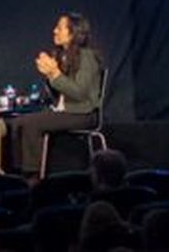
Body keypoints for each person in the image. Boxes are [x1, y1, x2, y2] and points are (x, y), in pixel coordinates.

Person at [11, 12, 102, 178]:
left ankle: (33, 176)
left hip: (83, 113)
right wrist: (49, 75)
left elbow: (79, 93)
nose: (54, 31)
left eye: (60, 28)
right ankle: (18, 172)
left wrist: (55, 74)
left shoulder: (86, 57)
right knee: (18, 122)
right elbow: (59, 94)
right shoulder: (63, 56)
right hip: (65, 111)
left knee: (32, 124)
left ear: (73, 32)